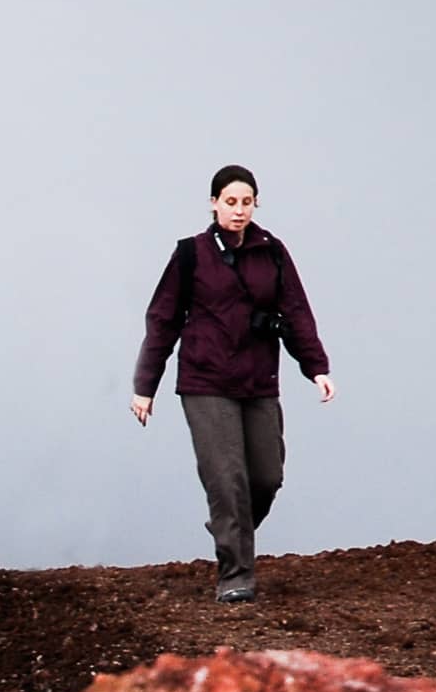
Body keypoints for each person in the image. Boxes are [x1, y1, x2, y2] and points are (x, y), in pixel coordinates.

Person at [131, 166, 333, 602]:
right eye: (230, 202)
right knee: (227, 480)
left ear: (256, 204)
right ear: (214, 203)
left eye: (246, 202)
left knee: (266, 477)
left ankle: (229, 526)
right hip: (205, 380)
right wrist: (145, 386)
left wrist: (316, 367)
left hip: (259, 379)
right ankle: (235, 576)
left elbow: (296, 311)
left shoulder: (272, 251)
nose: (238, 210)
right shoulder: (191, 254)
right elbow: (163, 319)